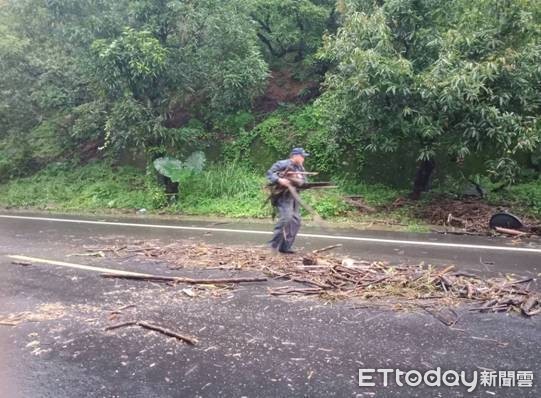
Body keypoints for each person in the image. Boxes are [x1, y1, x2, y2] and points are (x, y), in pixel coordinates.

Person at [266, 147, 310, 254]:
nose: (303, 158)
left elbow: (305, 181)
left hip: (294, 196)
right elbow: (269, 174)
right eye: (302, 156)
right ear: (295, 156)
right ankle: (273, 245)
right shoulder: (283, 164)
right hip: (284, 196)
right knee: (286, 218)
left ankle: (285, 247)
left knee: (296, 221)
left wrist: (302, 183)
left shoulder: (300, 168)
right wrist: (280, 180)